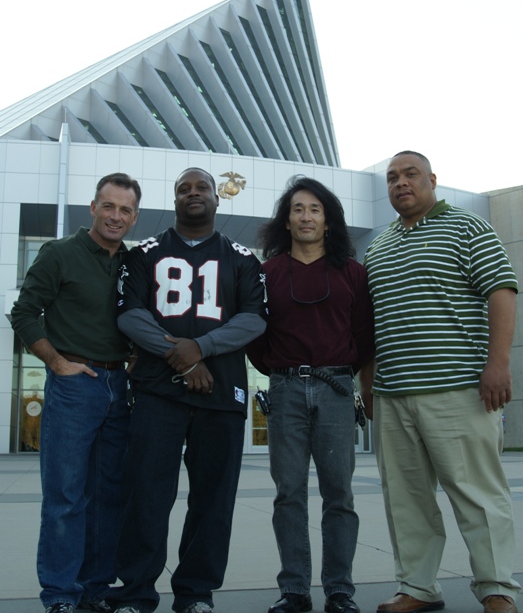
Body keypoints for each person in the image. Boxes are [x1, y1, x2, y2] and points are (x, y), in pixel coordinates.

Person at [361, 151, 520, 613]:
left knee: (478, 494)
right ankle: (418, 586)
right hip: (393, 394)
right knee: (406, 500)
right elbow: (371, 323)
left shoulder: (468, 227)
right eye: (392, 178)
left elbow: (502, 291)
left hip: (460, 390)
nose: (400, 183)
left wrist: (498, 364)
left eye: (410, 175)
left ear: (432, 179)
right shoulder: (379, 246)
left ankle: (496, 589)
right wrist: (368, 383)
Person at [107, 167, 267, 613]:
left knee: (213, 501)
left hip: (222, 396)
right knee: (145, 496)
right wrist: (180, 355)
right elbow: (129, 314)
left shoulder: (242, 258)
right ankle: (137, 591)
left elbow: (254, 319)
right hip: (158, 393)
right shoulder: (144, 254)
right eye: (184, 189)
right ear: (174, 199)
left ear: (218, 199)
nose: (192, 194)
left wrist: (201, 347)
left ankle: (196, 592)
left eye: (201, 188)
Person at [11, 173, 142, 613]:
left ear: (134, 216)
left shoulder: (135, 262)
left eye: (125, 210)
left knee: (108, 497)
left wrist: (137, 355)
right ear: (93, 207)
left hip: (119, 387)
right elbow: (25, 312)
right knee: (66, 496)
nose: (116, 216)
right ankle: (61, 594)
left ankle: (96, 589)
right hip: (74, 386)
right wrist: (57, 363)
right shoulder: (60, 254)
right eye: (109, 206)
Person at [248, 176, 374, 613]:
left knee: (339, 493)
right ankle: (295, 590)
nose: (306, 216)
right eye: (298, 209)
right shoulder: (267, 274)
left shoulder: (352, 273)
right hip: (284, 390)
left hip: (337, 390)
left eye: (315, 209)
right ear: (286, 220)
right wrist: (280, 371)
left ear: (328, 221)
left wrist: (341, 373)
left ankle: (340, 590)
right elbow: (255, 335)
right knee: (289, 493)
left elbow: (363, 335)